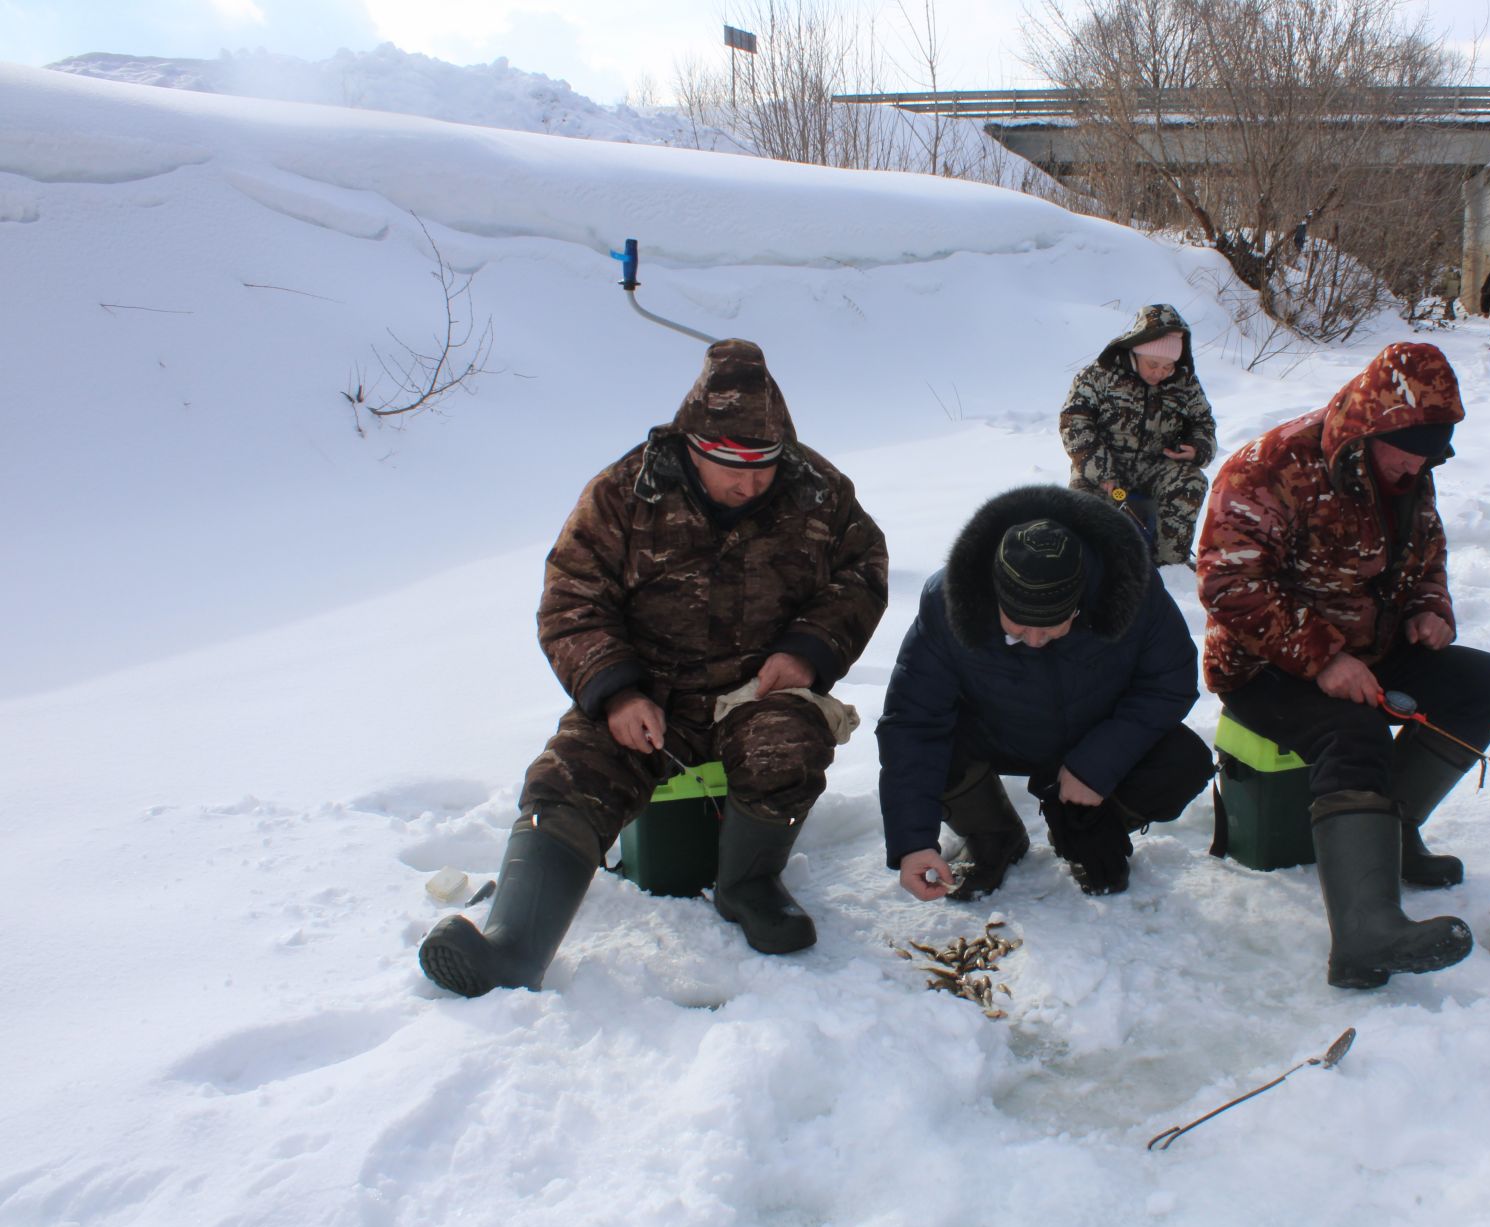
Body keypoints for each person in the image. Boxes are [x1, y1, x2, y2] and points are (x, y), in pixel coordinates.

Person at [417, 339, 889, 996]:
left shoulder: (818, 491)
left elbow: (861, 575)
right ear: (693, 444)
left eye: (764, 466)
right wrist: (615, 692)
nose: (749, 482)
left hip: (756, 692)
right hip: (647, 694)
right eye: (730, 465)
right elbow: (571, 597)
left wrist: (807, 649)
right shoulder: (624, 493)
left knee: (789, 741)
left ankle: (749, 886)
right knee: (566, 775)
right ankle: (513, 948)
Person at [1196, 343, 1490, 990]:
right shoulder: (1271, 466)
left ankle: (1393, 839)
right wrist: (1323, 657)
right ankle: (1363, 934)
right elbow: (1227, 583)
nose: (1418, 463)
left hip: (1370, 649)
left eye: (1432, 450)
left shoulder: (1406, 470)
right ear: (1370, 425)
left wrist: (1432, 610)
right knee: (1352, 730)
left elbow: (1428, 558)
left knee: (1487, 685)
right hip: (1266, 663)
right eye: (1407, 448)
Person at [880, 486, 1212, 900]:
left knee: (1185, 761)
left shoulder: (1132, 588)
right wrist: (913, 842)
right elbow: (913, 723)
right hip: (997, 733)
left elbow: (1169, 683)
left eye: (1054, 625)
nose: (1035, 640)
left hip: (1092, 732)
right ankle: (993, 835)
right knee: (934, 747)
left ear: (1081, 600)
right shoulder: (947, 601)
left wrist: (1097, 764)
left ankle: (1081, 824)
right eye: (1017, 627)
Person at [1059, 304, 1219, 568]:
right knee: (1082, 508)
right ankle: (1089, 569)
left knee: (1191, 481)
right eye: (1153, 364)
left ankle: (1170, 566)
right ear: (1136, 350)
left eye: (1168, 366)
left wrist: (1198, 448)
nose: (1160, 373)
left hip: (1156, 466)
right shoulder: (1101, 375)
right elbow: (1074, 422)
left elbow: (1203, 422)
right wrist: (1102, 471)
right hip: (1103, 464)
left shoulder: (1184, 382)